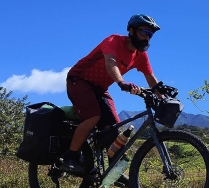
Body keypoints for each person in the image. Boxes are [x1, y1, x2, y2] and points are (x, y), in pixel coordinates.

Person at [56, 14, 162, 176]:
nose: (147, 38)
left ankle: (113, 172)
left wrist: (164, 99)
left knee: (114, 129)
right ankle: (70, 157)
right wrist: (121, 82)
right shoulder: (113, 41)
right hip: (79, 80)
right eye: (144, 32)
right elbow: (110, 62)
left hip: (99, 88)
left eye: (150, 34)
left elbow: (151, 78)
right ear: (131, 31)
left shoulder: (140, 56)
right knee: (93, 117)